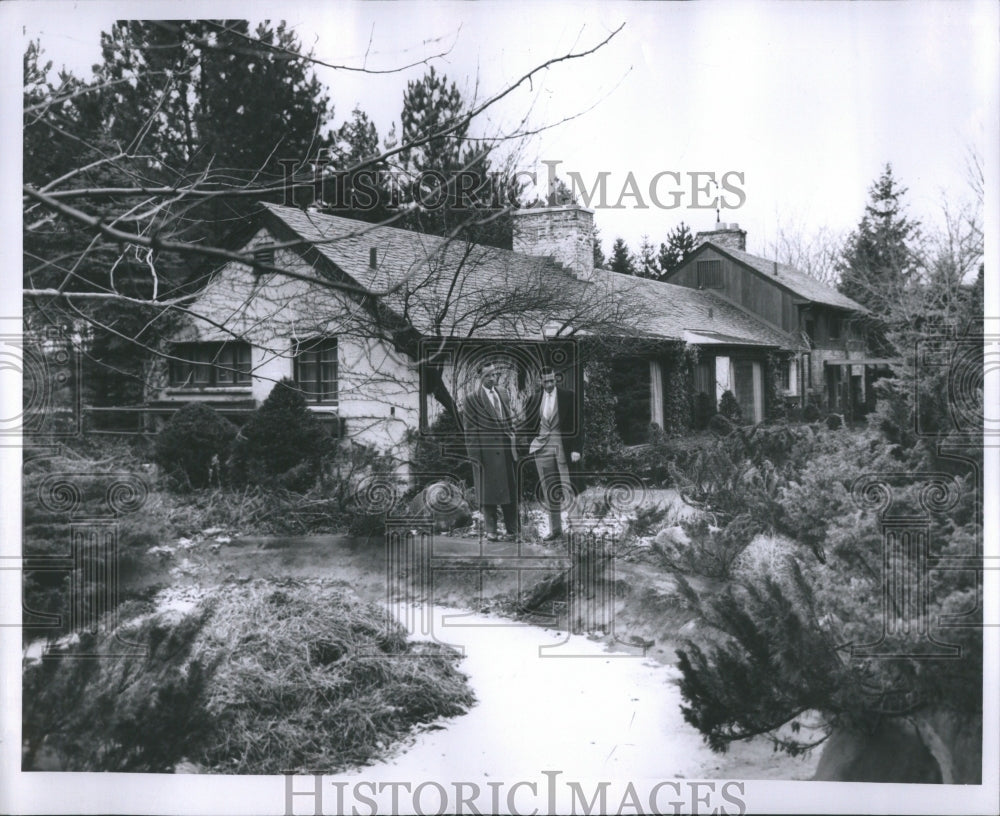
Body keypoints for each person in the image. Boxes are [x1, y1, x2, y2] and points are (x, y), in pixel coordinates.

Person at [523, 367, 582, 541]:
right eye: (545, 381)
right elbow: (528, 425)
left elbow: (578, 424)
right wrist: (532, 442)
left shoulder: (568, 396)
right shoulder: (533, 400)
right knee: (549, 490)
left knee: (568, 487)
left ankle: (577, 531)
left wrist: (577, 449)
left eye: (551, 381)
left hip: (563, 447)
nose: (549, 384)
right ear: (540, 381)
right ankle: (555, 530)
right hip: (542, 449)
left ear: (556, 379)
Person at [464, 360, 519, 541]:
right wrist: (475, 459)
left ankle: (513, 530)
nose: (492, 378)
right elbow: (470, 432)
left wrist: (513, 440)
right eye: (487, 375)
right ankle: (491, 531)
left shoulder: (503, 393)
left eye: (494, 374)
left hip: (505, 450)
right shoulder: (472, 399)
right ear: (480, 377)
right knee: (489, 494)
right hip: (486, 454)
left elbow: (509, 420)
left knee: (509, 491)